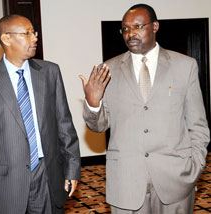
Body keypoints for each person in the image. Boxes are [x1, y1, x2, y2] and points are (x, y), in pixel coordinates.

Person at [79, 4, 210, 214]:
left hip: (176, 178)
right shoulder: (108, 69)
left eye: (138, 26)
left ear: (155, 26)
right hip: (126, 180)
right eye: (125, 29)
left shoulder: (185, 66)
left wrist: (194, 167)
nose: (131, 33)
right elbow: (98, 126)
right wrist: (93, 104)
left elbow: (198, 126)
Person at [0, 14, 80, 214]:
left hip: (47, 177)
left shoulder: (49, 73)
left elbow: (65, 125)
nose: (34, 38)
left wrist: (72, 169)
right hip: (5, 185)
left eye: (34, 32)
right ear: (6, 38)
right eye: (27, 33)